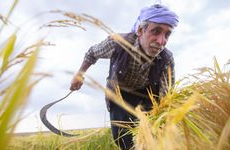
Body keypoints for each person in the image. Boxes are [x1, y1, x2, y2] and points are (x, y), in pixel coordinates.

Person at [70, 4, 179, 150]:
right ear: (140, 30)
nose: (161, 41)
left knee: (152, 137)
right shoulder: (118, 43)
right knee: (122, 139)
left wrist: (164, 121)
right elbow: (92, 53)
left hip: (147, 95)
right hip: (120, 94)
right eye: (156, 31)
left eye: (167, 34)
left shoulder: (166, 59)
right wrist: (80, 74)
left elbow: (166, 96)